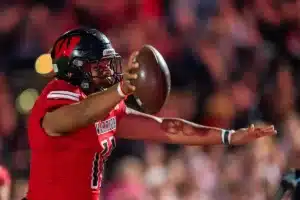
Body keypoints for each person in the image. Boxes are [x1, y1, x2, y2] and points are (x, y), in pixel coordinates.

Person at [25, 28, 276, 200]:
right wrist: (121, 90)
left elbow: (167, 128)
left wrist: (229, 137)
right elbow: (70, 118)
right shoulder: (56, 95)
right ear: (76, 70)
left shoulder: (109, 107)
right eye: (100, 65)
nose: (110, 70)